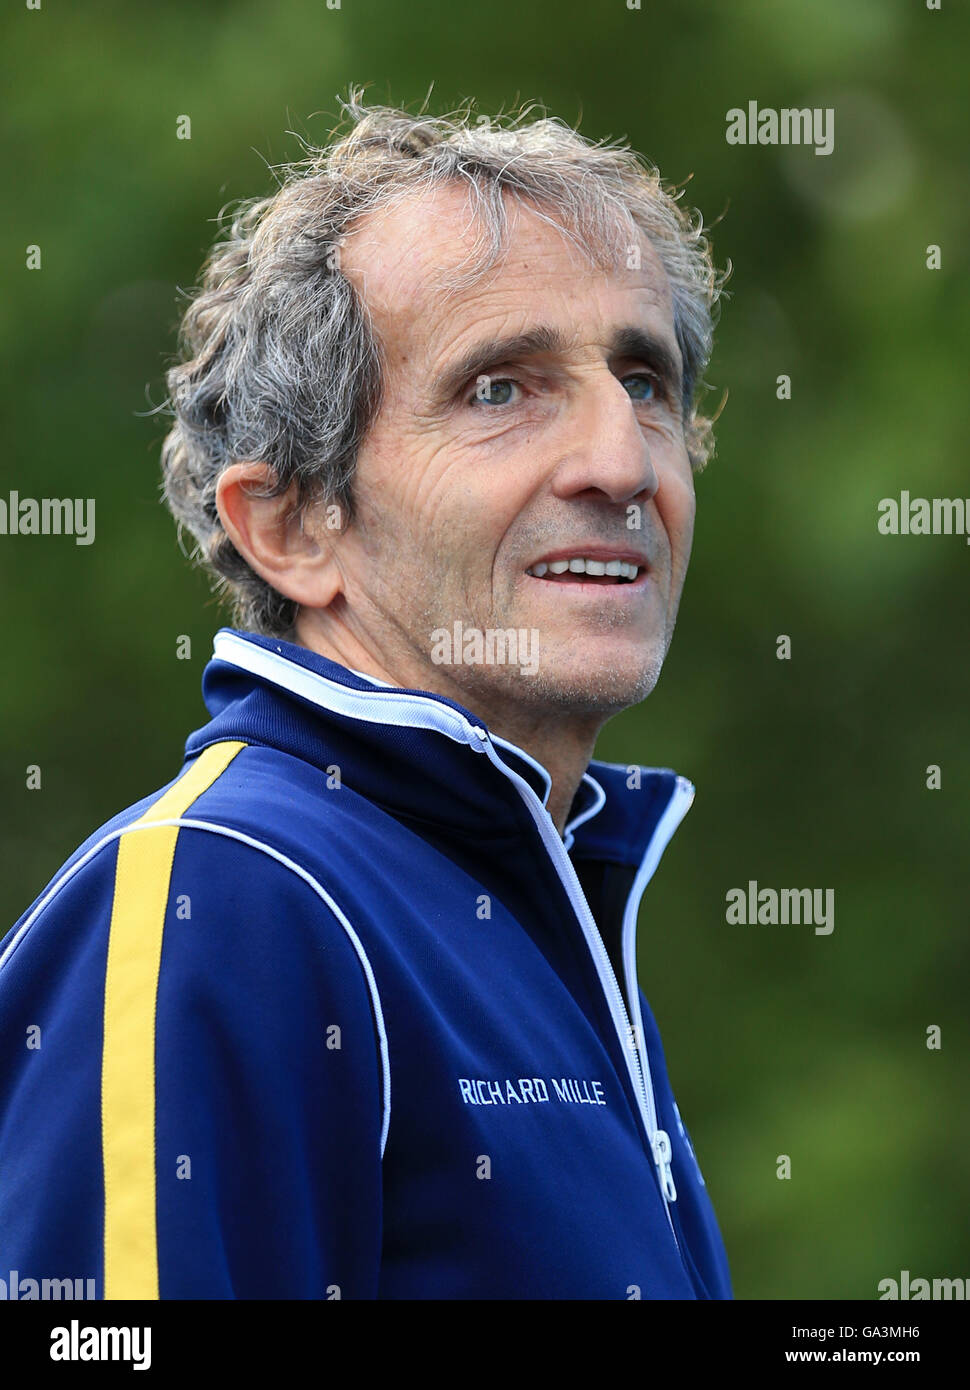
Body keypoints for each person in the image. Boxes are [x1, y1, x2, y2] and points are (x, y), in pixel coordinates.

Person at [0, 90, 731, 1300]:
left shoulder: (540, 900)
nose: (624, 462)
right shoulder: (221, 895)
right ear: (288, 527)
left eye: (643, 379)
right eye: (500, 388)